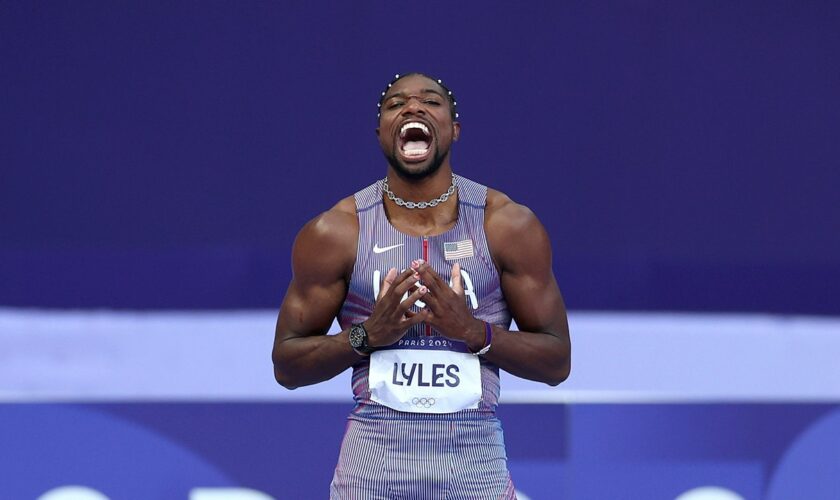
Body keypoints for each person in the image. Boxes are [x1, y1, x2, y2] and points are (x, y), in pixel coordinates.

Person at [272, 72, 571, 499]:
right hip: (369, 480)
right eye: (396, 104)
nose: (412, 108)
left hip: (476, 478)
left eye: (430, 101)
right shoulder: (337, 232)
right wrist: (364, 337)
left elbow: (557, 361)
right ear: (381, 135)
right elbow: (287, 365)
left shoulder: (506, 225)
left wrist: (475, 333)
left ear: (453, 129)